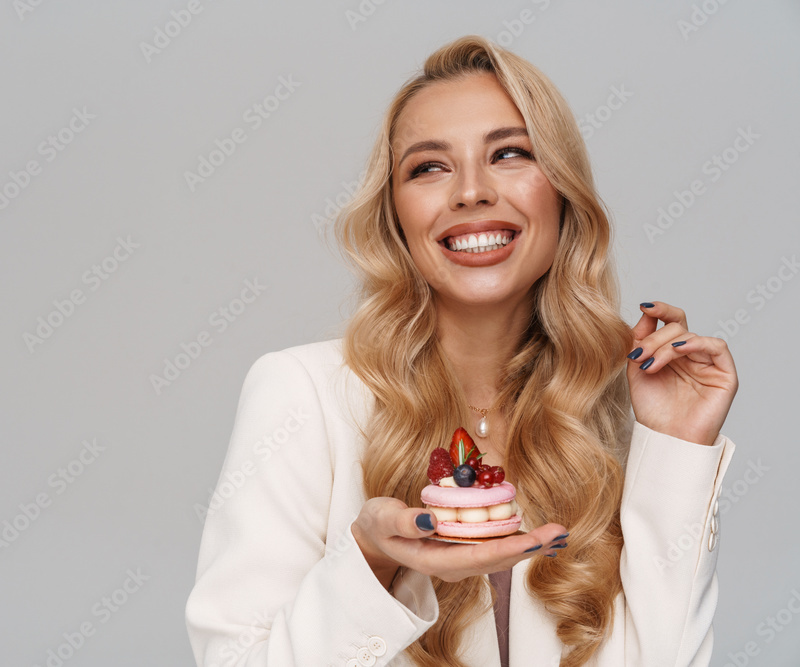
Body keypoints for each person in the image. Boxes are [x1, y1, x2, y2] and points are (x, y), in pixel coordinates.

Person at [185, 34, 738, 667]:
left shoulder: (618, 406)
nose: (471, 191)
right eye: (429, 166)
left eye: (510, 154)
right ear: (396, 214)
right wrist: (370, 560)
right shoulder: (300, 393)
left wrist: (676, 450)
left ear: (562, 192)